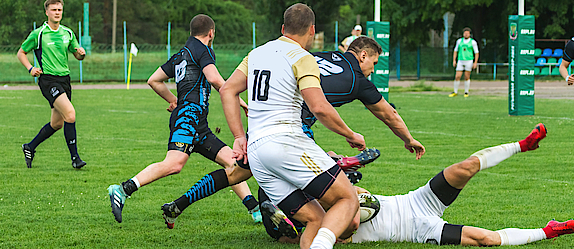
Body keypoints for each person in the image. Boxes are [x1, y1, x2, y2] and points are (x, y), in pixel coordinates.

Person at [159, 36, 426, 232]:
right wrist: (408, 139)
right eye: (374, 63)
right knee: (335, 200)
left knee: (238, 172)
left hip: (264, 119)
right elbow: (388, 113)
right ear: (363, 56)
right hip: (291, 128)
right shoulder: (358, 80)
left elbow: (236, 85)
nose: (373, 70)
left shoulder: (320, 54)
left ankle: (178, 204)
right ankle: (299, 204)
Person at [264, 123, 574, 246]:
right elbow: (350, 228)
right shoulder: (319, 230)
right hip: (417, 229)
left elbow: (360, 196)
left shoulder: (327, 197)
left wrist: (355, 191)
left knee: (465, 168)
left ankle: (523, 144)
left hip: (414, 201)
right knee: (487, 239)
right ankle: (549, 230)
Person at [220, 3, 366, 249]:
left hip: (256, 154)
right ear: (312, 30)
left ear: (283, 28)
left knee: (316, 219)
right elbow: (319, 107)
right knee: (347, 198)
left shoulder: (256, 53)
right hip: (285, 144)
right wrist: (350, 134)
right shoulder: (302, 57)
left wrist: (238, 136)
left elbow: (227, 90)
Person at [107, 14, 261, 224]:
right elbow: (214, 78)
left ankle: (255, 209)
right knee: (174, 164)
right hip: (188, 119)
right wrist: (238, 100)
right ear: (211, 33)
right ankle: (123, 189)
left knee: (234, 165)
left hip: (199, 124)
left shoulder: (182, 54)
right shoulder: (203, 49)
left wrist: (174, 100)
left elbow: (154, 80)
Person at [17, 0, 86, 169]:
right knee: (70, 114)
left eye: (60, 9)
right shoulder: (38, 34)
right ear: (46, 12)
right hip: (48, 80)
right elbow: (21, 52)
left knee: (57, 123)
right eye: (54, 9)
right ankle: (75, 159)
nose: (57, 12)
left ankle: (30, 147)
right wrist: (30, 68)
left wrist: (81, 54)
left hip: (65, 80)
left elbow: (76, 54)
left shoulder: (68, 33)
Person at [449, 27, 479, 98]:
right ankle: (455, 91)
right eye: (465, 33)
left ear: (469, 34)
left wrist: (475, 62)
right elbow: (455, 51)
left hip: (469, 60)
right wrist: (454, 60)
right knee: (457, 76)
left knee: (466, 76)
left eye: (467, 33)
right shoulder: (459, 41)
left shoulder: (473, 42)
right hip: (460, 60)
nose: (466, 34)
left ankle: (466, 92)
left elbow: (476, 53)